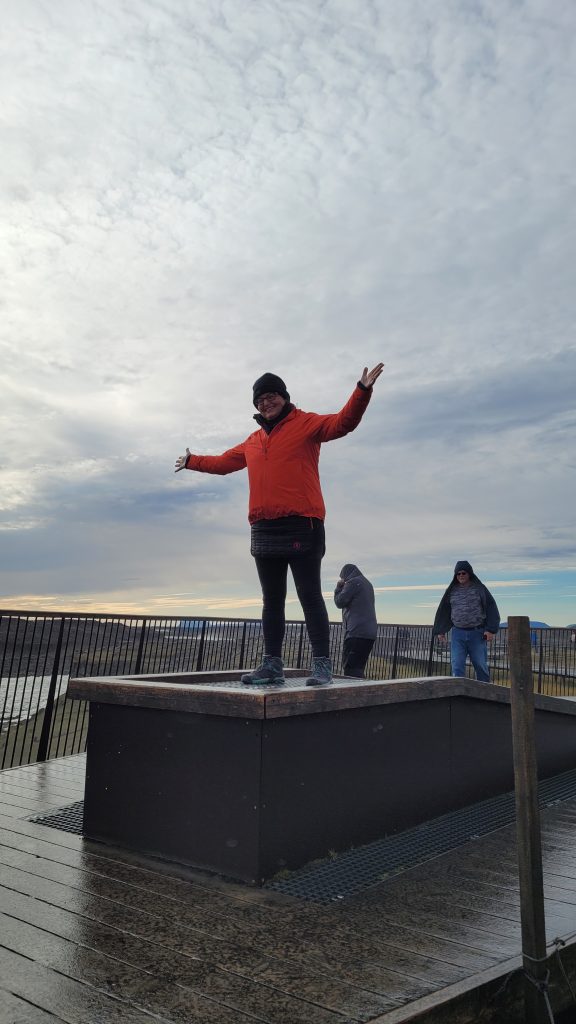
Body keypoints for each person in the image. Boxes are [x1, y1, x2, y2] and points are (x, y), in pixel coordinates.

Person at [175, 364, 384, 686]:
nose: (266, 403)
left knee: (309, 596)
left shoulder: (307, 424)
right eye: (260, 400)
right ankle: (271, 665)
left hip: (303, 523)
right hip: (263, 527)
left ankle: (322, 667)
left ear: (284, 398)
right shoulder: (253, 441)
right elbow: (222, 463)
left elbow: (344, 423)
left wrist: (362, 390)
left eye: (271, 396)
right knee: (271, 600)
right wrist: (192, 461)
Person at [432, 560, 500, 683]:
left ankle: (484, 695)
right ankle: (459, 697)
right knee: (457, 666)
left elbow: (491, 606)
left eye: (463, 573)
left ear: (469, 574)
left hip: (477, 633)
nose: (461, 576)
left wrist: (490, 629)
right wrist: (440, 630)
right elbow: (444, 610)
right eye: (458, 574)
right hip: (458, 633)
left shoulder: (479, 588)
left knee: (480, 666)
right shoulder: (451, 591)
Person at [334, 564, 378, 678]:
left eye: (342, 577)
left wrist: (338, 588)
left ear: (346, 575)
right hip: (369, 632)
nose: (342, 580)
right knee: (358, 668)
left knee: (350, 669)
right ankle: (361, 693)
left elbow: (340, 602)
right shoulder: (367, 583)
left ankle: (354, 694)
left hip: (356, 631)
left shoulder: (353, 583)